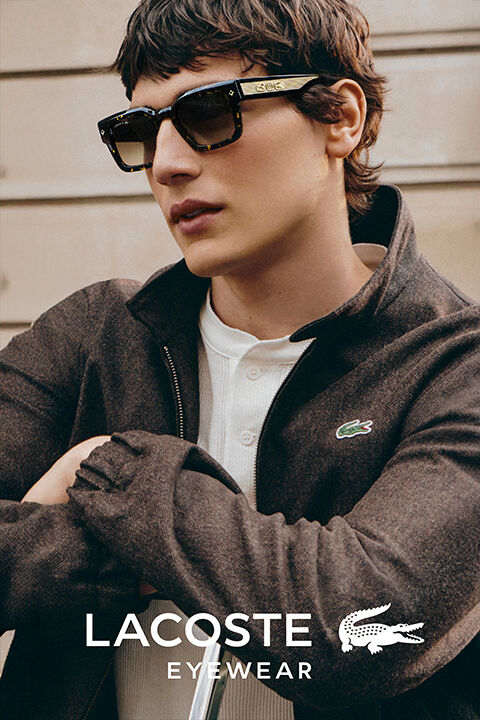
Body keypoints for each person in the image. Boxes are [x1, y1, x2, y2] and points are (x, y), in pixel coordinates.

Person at [0, 0, 479, 718]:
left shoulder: (454, 366)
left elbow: (357, 628)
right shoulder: (96, 335)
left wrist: (109, 469)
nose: (166, 165)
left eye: (209, 114)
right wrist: (121, 563)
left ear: (341, 118)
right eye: (143, 131)